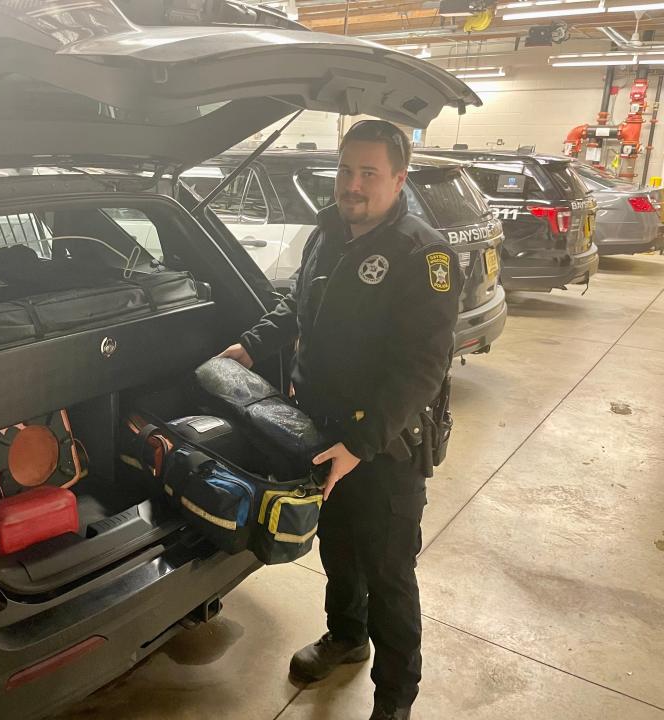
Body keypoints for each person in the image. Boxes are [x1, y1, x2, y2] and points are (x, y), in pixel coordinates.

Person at [218, 120, 462, 720]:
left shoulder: (422, 253)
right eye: (346, 170)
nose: (353, 184)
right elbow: (296, 305)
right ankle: (347, 637)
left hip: (383, 444)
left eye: (369, 173)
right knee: (338, 546)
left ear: (399, 178)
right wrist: (248, 347)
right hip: (321, 431)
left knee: (390, 572)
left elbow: (423, 368)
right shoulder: (327, 235)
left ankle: (395, 699)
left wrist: (360, 441)